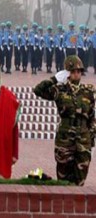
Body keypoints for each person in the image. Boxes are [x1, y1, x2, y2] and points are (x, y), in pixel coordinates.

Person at [34, 55, 95, 186]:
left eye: (79, 71)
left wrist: (91, 139)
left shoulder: (89, 91)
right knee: (63, 179)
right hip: (65, 139)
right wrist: (54, 79)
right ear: (67, 73)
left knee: (80, 180)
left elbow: (92, 116)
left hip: (83, 140)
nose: (77, 74)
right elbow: (38, 90)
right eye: (73, 71)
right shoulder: (59, 90)